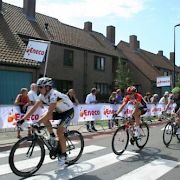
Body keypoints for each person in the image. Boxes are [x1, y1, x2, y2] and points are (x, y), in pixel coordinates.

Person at [17, 77, 74, 167]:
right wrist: (23, 119)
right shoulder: (42, 96)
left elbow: (49, 112)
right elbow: (33, 109)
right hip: (59, 111)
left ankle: (63, 155)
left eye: (40, 87)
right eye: (38, 87)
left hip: (68, 112)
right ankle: (52, 136)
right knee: (43, 118)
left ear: (47, 87)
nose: (39, 89)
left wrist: (37, 123)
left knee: (60, 131)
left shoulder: (54, 95)